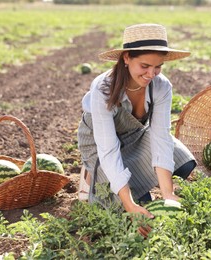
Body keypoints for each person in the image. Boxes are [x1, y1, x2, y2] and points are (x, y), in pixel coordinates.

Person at [77, 23, 196, 219]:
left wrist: (167, 194)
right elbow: (108, 149)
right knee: (135, 202)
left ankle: (130, 174)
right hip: (99, 145)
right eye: (145, 66)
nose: (151, 74)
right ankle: (91, 173)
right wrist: (130, 203)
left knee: (182, 163)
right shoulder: (103, 89)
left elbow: (161, 137)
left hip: (135, 137)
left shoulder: (161, 86)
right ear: (126, 58)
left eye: (158, 66)